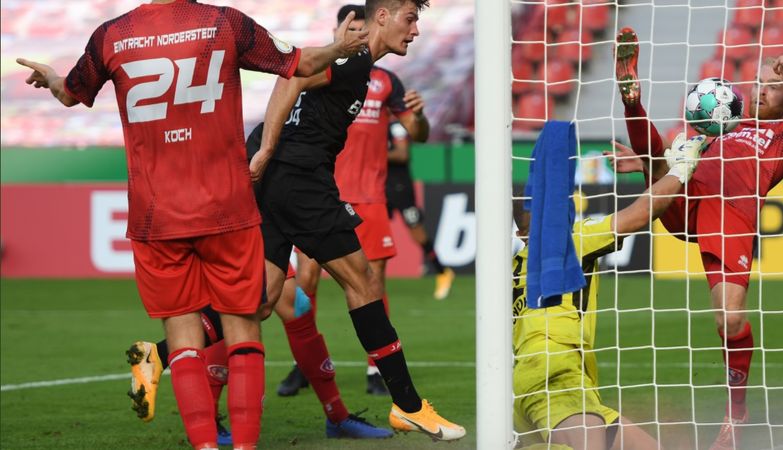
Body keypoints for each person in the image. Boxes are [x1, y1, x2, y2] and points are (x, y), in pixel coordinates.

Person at [16, 0, 366, 447]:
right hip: (226, 207)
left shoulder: (112, 34)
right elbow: (300, 63)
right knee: (242, 331)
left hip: (157, 214)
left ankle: (203, 443)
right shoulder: (224, 22)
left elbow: (69, 93)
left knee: (183, 341)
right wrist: (340, 46)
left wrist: (49, 77)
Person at [608, 27, 783, 450]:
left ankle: (736, 410)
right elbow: (683, 159)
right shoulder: (721, 124)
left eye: (772, 86)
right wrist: (648, 165)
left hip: (730, 215)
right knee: (662, 156)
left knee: (730, 320)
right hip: (688, 193)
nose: (760, 91)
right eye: (757, 83)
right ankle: (632, 99)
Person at [246, 0, 465, 441]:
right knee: (363, 282)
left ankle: (162, 352)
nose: (416, 30)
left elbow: (306, 80)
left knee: (263, 298)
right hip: (300, 181)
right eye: (410, 18)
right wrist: (267, 147)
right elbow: (295, 74)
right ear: (381, 17)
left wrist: (267, 154)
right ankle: (408, 405)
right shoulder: (353, 57)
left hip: (282, 182)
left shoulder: (366, 68)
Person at [513, 132, 706, 450]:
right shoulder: (568, 242)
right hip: (556, 377)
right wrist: (681, 168)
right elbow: (641, 214)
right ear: (523, 232)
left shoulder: (515, 265)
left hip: (539, 379)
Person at [133, 264, 394, 442]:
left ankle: (337, 416)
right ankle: (164, 359)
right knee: (241, 307)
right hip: (242, 218)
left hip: (262, 218)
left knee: (291, 305)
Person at [386, 121, 456, 300]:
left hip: (400, 188)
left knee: (416, 231)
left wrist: (376, 154)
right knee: (370, 229)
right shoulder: (375, 124)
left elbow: (402, 154)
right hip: (379, 187)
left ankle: (442, 271)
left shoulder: (395, 127)